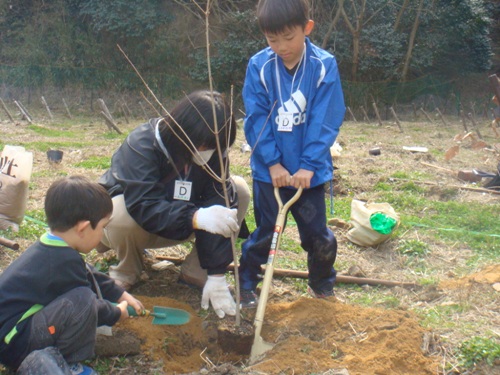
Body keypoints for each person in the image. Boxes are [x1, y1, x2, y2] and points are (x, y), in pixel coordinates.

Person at [98, 90, 250, 319]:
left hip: (182, 224)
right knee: (120, 211)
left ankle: (197, 270)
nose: (206, 153)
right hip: (138, 226)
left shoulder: (214, 154)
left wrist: (217, 273)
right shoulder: (142, 144)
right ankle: (126, 270)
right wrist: (195, 217)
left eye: (214, 147)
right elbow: (144, 205)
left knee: (237, 190)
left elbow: (220, 202)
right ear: (183, 132)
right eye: (202, 145)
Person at [239, 0, 346, 307]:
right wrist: (272, 163)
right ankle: (246, 283)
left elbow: (325, 119)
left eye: (288, 37)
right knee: (265, 232)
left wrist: (309, 165)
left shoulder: (323, 66)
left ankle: (322, 285)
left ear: (307, 28)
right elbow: (256, 119)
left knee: (318, 236)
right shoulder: (259, 66)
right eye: (273, 40)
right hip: (268, 174)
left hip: (307, 175)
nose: (281, 46)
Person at [0, 176, 144, 375]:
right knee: (83, 300)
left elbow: (87, 271)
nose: (103, 232)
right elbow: (90, 305)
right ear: (83, 228)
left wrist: (119, 294)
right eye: (103, 227)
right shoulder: (63, 261)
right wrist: (117, 313)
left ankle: (39, 357)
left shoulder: (53, 247)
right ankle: (62, 362)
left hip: (12, 335)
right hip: (17, 343)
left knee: (82, 294)